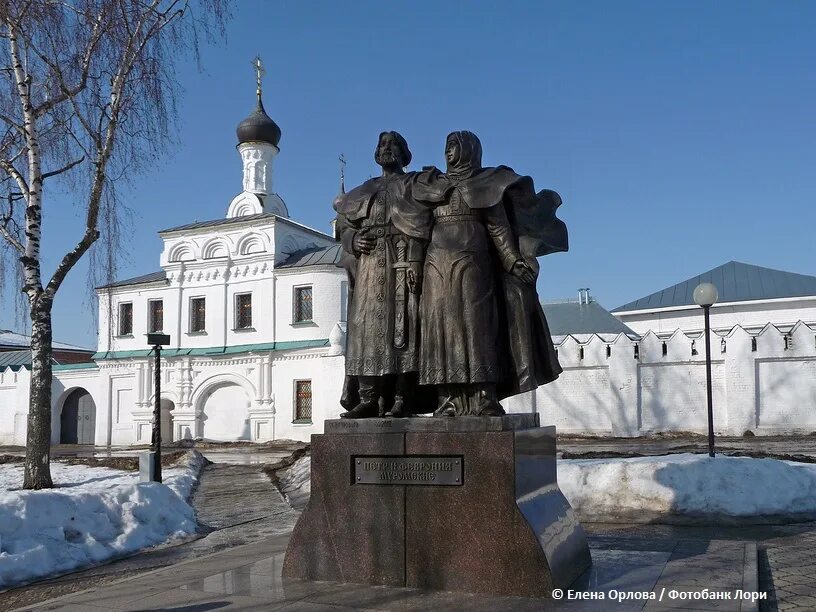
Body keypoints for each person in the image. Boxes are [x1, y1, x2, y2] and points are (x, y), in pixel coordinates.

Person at [412, 130, 566, 416]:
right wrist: (411, 264)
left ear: (470, 150)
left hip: (473, 265)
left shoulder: (486, 184)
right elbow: (418, 230)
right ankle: (447, 399)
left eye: (454, 147)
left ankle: (484, 397)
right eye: (446, 146)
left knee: (476, 326)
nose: (448, 152)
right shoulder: (432, 185)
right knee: (440, 330)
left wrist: (511, 260)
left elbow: (498, 228)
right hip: (436, 268)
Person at [333, 131, 433, 418]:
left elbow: (422, 223)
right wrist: (352, 240)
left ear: (404, 152)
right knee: (365, 328)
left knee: (404, 327)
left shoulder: (412, 184)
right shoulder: (364, 189)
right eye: (382, 144)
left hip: (400, 261)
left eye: (392, 145)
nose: (386, 149)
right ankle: (368, 397)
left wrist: (414, 258)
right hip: (368, 264)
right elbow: (345, 223)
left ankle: (402, 397)